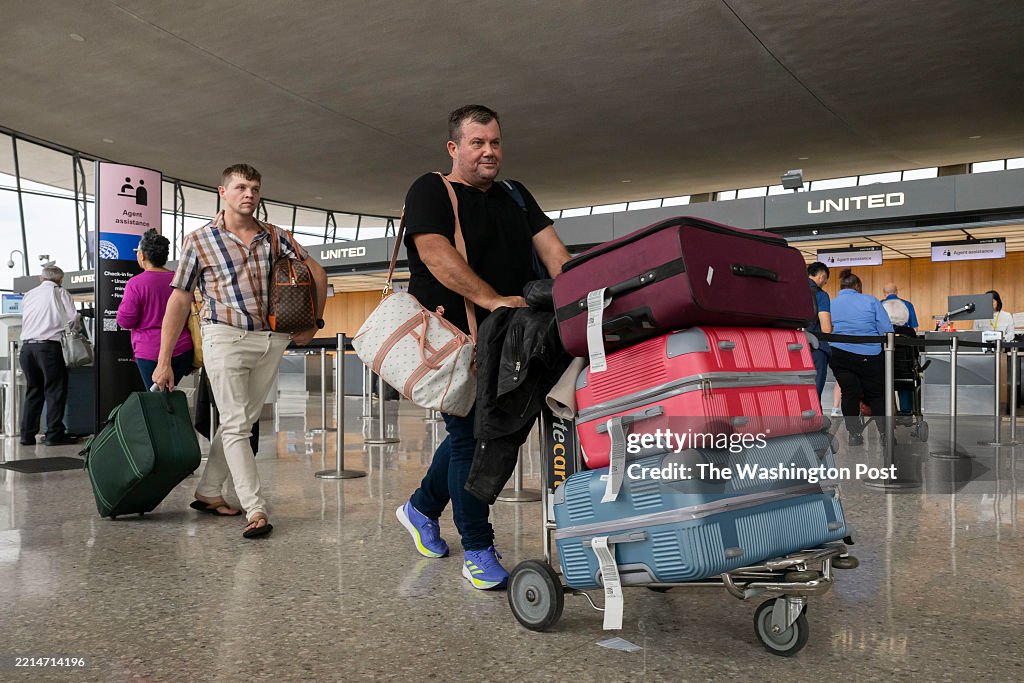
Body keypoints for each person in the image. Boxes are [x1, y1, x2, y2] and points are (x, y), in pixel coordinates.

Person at [395, 104, 571, 590]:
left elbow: (554, 253)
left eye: (495, 142)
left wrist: (580, 292)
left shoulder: (516, 194)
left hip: (516, 340)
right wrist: (492, 300)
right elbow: (435, 254)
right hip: (459, 339)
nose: (489, 151)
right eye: (477, 143)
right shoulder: (432, 189)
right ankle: (476, 547)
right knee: (474, 439)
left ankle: (421, 508)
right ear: (454, 147)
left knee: (475, 434)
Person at [152, 163, 328, 539]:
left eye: (255, 189)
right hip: (224, 337)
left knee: (241, 422)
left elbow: (317, 272)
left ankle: (208, 491)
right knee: (235, 423)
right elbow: (179, 300)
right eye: (241, 187)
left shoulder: (276, 236)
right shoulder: (199, 240)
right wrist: (163, 360)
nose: (249, 194)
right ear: (223, 192)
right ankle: (256, 507)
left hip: (271, 340)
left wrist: (315, 323)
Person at [116, 229, 193, 388]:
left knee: (156, 399)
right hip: (183, 349)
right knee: (168, 395)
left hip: (151, 351)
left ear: (142, 255)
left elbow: (125, 321)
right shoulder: (179, 280)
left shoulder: (136, 283)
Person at [17, 265, 80, 446]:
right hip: (48, 348)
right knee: (55, 391)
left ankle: (27, 436)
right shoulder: (61, 292)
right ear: (60, 279)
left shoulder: (29, 294)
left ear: (41, 278)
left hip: (27, 349)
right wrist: (73, 330)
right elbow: (73, 318)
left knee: (33, 391)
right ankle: (53, 435)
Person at [829, 269, 894, 447]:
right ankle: (885, 435)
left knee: (849, 393)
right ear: (857, 286)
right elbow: (886, 329)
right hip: (869, 354)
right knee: (876, 394)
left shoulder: (831, 303)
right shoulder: (871, 300)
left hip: (839, 354)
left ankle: (854, 435)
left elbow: (826, 328)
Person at [881, 298, 915, 414]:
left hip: (883, 372)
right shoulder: (910, 332)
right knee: (905, 382)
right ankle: (906, 412)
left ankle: (887, 411)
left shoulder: (881, 332)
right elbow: (915, 354)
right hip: (905, 373)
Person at [806, 262, 832, 400]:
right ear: (821, 276)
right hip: (816, 348)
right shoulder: (821, 295)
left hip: (793, 346)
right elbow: (826, 329)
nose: (825, 282)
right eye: (825, 279)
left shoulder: (793, 291)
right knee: (815, 393)